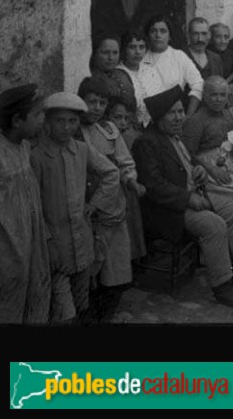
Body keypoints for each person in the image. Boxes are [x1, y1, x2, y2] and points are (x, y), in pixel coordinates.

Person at [132, 85, 233, 309]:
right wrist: (187, 199)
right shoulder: (147, 142)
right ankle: (222, 284)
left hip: (190, 196)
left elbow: (187, 162)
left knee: (232, 209)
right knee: (213, 224)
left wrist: (199, 169)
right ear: (159, 117)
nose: (179, 117)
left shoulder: (175, 137)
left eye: (181, 111)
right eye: (172, 113)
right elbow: (153, 185)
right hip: (166, 210)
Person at [30, 92, 121, 324]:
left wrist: (94, 204)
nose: (66, 127)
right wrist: (47, 241)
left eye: (72, 121)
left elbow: (111, 173)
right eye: (59, 121)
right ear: (47, 122)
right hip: (55, 247)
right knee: (64, 311)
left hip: (82, 243)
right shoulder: (37, 156)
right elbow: (33, 206)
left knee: (82, 303)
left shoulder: (81, 149)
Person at [76, 77, 134, 321]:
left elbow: (125, 161)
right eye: (92, 102)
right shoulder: (73, 129)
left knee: (114, 261)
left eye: (102, 103)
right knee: (91, 262)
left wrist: (131, 179)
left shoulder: (109, 130)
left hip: (111, 204)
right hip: (84, 204)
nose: (97, 108)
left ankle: (108, 309)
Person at [0, 84, 51, 324]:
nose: (43, 120)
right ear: (17, 120)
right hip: (8, 249)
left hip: (30, 242)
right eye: (37, 114)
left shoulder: (24, 147)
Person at [141, 14, 204, 118]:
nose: (158, 35)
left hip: (174, 117)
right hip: (146, 118)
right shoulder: (141, 58)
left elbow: (198, 84)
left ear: (169, 36)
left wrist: (188, 116)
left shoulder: (178, 56)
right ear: (148, 34)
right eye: (153, 31)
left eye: (163, 31)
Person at [118, 29, 163, 129]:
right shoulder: (118, 73)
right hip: (128, 127)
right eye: (132, 47)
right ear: (124, 49)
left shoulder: (151, 70)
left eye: (141, 47)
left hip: (153, 126)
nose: (138, 52)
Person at [89, 35, 137, 114]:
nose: (111, 57)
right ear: (94, 53)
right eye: (105, 52)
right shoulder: (90, 79)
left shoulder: (123, 75)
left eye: (115, 53)